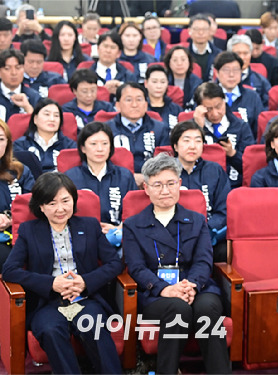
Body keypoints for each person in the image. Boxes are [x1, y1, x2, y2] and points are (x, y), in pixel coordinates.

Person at [2, 172, 124, 374]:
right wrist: (51, 283)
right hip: (47, 302)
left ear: (73, 201)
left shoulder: (89, 226)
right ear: (40, 206)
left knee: (93, 327)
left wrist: (85, 281)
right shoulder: (29, 231)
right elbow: (9, 271)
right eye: (51, 203)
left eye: (65, 201)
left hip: (86, 298)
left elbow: (114, 264)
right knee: (51, 330)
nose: (60, 209)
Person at [123, 153, 231, 375]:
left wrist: (190, 285)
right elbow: (136, 268)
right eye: (158, 185)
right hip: (155, 294)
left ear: (180, 184)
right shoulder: (133, 225)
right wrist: (165, 289)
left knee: (207, 309)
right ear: (146, 188)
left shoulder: (197, 220)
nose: (165, 190)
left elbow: (203, 260)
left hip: (196, 287)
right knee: (178, 309)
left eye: (171, 183)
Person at [170, 121, 230, 262]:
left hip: (208, 234)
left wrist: (205, 230)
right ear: (175, 146)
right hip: (173, 236)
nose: (192, 146)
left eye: (198, 141)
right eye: (186, 140)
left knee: (228, 251)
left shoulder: (214, 170)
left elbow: (224, 210)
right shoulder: (164, 172)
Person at [65, 121, 138, 233]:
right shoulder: (70, 177)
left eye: (105, 143)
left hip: (118, 235)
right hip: (81, 235)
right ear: (83, 148)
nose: (100, 149)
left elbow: (135, 211)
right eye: (93, 144)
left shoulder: (125, 176)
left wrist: (118, 229)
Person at [105, 82, 170, 184]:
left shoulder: (160, 129)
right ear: (117, 105)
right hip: (114, 181)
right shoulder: (106, 129)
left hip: (152, 182)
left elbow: (165, 161)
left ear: (146, 105)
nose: (134, 105)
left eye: (139, 100)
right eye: (129, 100)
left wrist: (147, 177)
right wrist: (128, 177)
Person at [192, 82, 254, 188]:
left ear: (224, 101)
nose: (215, 114)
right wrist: (198, 128)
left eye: (218, 106)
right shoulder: (190, 129)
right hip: (201, 185)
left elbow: (250, 167)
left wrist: (233, 154)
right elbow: (185, 161)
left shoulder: (241, 126)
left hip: (234, 185)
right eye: (209, 109)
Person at [0, 119, 34, 268]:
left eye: (1, 139)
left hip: (23, 232)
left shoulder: (20, 171)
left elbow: (35, 204)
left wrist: (10, 218)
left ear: (7, 143)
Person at [13, 98, 77, 173]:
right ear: (35, 119)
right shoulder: (20, 145)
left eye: (56, 115)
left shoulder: (70, 146)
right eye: (47, 114)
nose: (52, 119)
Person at [213, 51, 263, 139]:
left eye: (236, 70)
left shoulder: (253, 97)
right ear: (217, 73)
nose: (231, 75)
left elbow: (258, 131)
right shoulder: (208, 96)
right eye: (226, 70)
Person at [87, 32, 139, 96]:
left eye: (113, 47)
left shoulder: (128, 75)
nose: (108, 51)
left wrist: (122, 90)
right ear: (98, 49)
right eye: (105, 46)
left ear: (119, 53)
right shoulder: (86, 74)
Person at [227, 34, 271, 109]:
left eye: (245, 53)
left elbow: (265, 110)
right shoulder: (223, 80)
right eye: (238, 53)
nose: (242, 57)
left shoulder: (261, 81)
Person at [0, 49, 41, 122]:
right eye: (7, 69)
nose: (14, 73)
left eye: (18, 68)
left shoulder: (34, 96)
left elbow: (40, 127)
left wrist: (28, 108)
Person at [165, 45, 203, 111]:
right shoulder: (163, 80)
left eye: (183, 59)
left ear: (189, 62)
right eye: (175, 60)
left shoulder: (197, 82)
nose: (179, 63)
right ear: (169, 63)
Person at [144, 64, 183, 130]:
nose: (159, 86)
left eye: (162, 82)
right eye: (154, 82)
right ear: (146, 83)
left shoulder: (176, 109)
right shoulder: (140, 108)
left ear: (167, 84)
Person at [188, 14, 222, 82]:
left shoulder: (219, 54)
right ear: (189, 31)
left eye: (204, 29)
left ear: (210, 31)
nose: (201, 33)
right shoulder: (184, 54)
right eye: (197, 29)